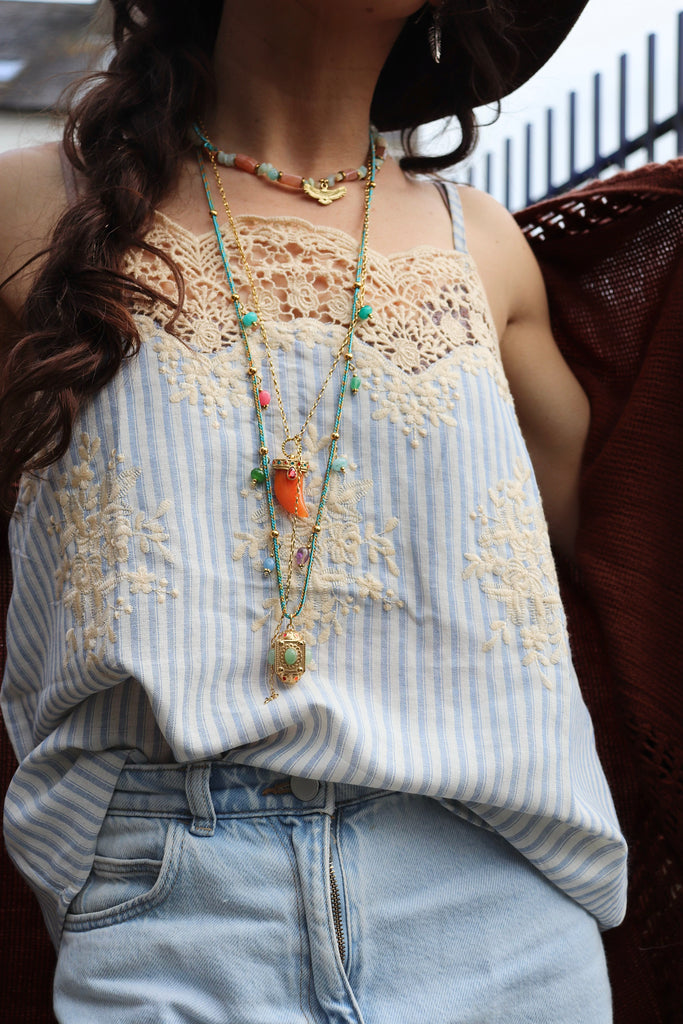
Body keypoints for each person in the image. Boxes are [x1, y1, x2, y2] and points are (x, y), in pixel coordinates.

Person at [0, 2, 627, 1021]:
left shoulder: (482, 248)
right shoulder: (35, 210)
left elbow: (621, 537)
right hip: (172, 913)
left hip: (498, 918)